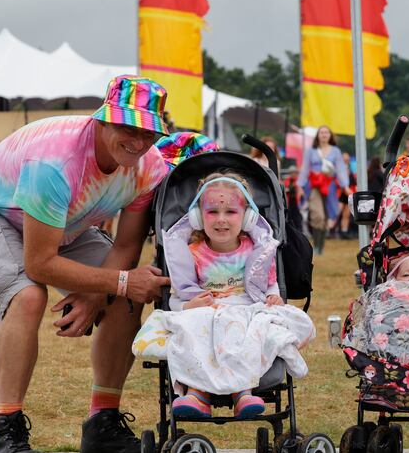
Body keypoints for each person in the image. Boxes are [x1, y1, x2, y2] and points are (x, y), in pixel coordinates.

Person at [0, 75, 172, 453]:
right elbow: (40, 264)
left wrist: (101, 293)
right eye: (128, 128)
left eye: (149, 132)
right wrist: (113, 282)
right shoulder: (56, 160)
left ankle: (103, 427)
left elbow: (124, 249)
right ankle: (6, 432)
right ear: (103, 121)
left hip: (61, 224)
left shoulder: (148, 168)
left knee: (128, 296)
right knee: (28, 296)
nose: (138, 141)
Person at [132, 172, 315, 418]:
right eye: (212, 212)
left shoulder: (257, 252)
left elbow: (268, 284)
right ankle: (197, 393)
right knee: (193, 326)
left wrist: (273, 297)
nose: (221, 220)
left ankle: (242, 391)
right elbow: (178, 295)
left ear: (248, 217)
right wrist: (189, 306)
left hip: (245, 308)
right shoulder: (191, 254)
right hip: (207, 312)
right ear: (197, 217)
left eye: (230, 212)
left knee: (247, 329)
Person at [296, 125, 349, 255]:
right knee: (317, 215)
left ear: (330, 135)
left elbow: (341, 169)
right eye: (321, 132)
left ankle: (321, 247)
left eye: (326, 133)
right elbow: (305, 168)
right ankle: (316, 246)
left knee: (327, 216)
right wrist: (300, 185)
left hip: (329, 186)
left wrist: (345, 186)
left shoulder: (335, 151)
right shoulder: (311, 151)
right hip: (313, 186)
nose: (324, 135)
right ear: (318, 135)